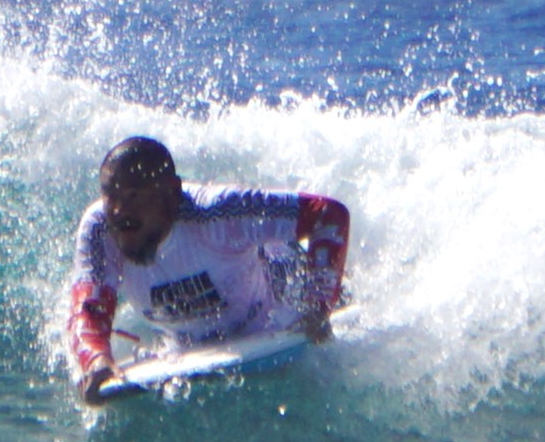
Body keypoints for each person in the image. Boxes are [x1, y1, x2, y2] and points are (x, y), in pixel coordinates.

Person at [65, 137, 351, 404]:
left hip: (278, 289)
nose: (118, 211)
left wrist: (318, 304)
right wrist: (96, 359)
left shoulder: (219, 213)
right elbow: (88, 306)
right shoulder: (101, 228)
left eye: (134, 196)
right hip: (190, 339)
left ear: (172, 194)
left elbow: (328, 213)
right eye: (110, 196)